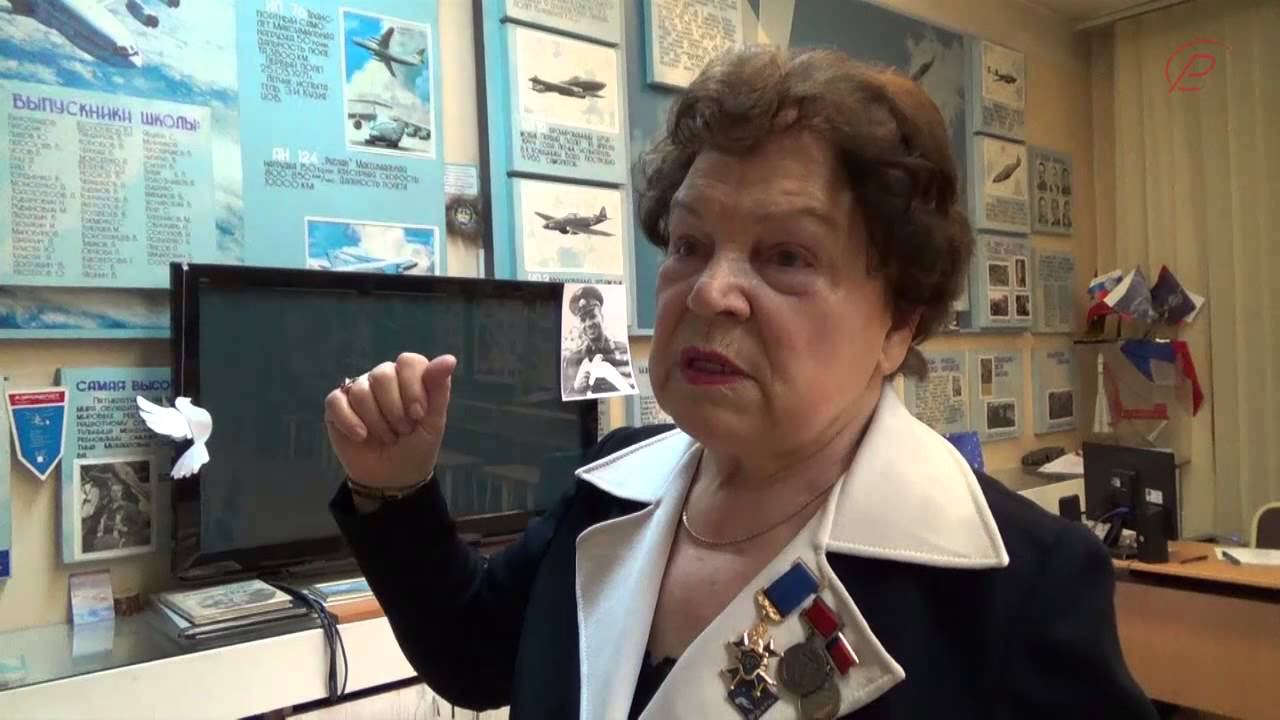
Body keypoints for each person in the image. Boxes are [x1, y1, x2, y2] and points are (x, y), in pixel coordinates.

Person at [324, 46, 1155, 720]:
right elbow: (475, 659)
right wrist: (392, 491)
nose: (711, 291)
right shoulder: (608, 492)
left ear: (900, 323)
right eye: (689, 244)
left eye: (787, 256)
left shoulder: (1019, 585)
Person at [560, 284, 635, 398]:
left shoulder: (624, 350)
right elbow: (566, 399)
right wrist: (576, 388)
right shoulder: (572, 360)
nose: (588, 324)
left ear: (602, 317)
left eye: (592, 316)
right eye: (583, 320)